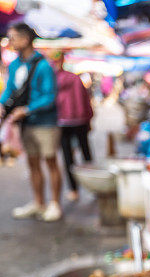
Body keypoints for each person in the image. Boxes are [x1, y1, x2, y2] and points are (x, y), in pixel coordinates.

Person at [1, 23, 63, 221]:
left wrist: (27, 109)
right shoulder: (14, 65)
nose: (10, 42)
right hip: (25, 123)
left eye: (12, 37)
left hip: (45, 122)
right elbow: (10, 91)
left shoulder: (44, 65)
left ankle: (55, 204)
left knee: (50, 162)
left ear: (25, 39)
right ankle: (38, 202)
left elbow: (49, 96)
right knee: (32, 163)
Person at [52, 50, 93, 202]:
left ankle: (74, 190)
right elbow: (85, 100)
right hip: (79, 120)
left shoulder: (53, 80)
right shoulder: (74, 78)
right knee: (86, 152)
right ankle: (93, 185)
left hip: (62, 122)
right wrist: (89, 118)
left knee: (68, 155)